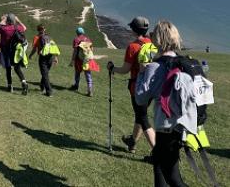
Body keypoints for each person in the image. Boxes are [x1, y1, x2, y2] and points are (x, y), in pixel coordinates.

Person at [136, 21, 197, 187]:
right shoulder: (184, 63)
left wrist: (142, 73)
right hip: (184, 124)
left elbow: (140, 98)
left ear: (157, 40)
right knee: (159, 162)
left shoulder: (155, 67)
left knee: (173, 177)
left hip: (166, 127)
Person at [107, 17, 156, 154]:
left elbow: (125, 70)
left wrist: (112, 68)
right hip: (151, 86)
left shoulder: (133, 47)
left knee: (142, 118)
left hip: (137, 87)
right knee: (140, 115)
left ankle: (157, 151)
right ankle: (132, 142)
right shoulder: (152, 44)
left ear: (133, 30)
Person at [0, 13, 29, 95]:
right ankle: (24, 82)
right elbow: (25, 28)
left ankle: (10, 86)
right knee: (17, 68)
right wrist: (18, 20)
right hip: (16, 50)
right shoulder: (17, 28)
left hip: (7, 50)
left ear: (7, 20)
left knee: (8, 68)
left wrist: (3, 19)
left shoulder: (4, 29)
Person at [29, 24, 58, 97]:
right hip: (50, 56)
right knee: (45, 73)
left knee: (45, 74)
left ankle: (49, 92)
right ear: (44, 29)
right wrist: (55, 57)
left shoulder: (36, 37)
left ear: (38, 30)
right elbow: (53, 47)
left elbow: (35, 49)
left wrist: (30, 55)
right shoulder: (49, 37)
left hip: (43, 57)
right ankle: (42, 86)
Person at [69, 27, 95, 97]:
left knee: (77, 73)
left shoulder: (76, 39)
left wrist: (72, 60)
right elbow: (92, 48)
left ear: (77, 33)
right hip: (86, 60)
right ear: (83, 32)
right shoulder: (87, 39)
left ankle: (76, 85)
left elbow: (75, 51)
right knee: (88, 75)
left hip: (79, 60)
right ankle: (90, 90)